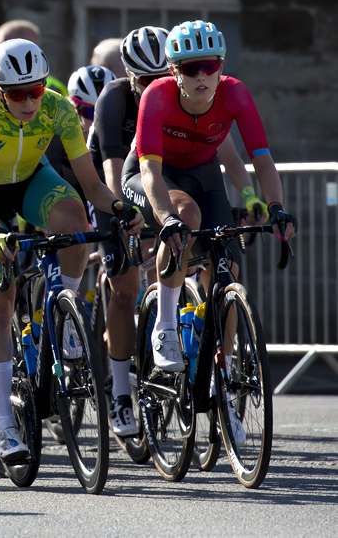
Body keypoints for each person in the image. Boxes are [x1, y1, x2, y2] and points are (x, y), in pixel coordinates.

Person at [0, 38, 143, 464]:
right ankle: (5, 427)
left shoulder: (58, 108)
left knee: (77, 221)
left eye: (35, 91)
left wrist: (118, 206)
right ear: (0, 91)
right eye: (17, 94)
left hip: (29, 179)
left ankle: (64, 311)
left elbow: (92, 186)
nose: (27, 102)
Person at [89, 25, 267, 437]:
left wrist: (249, 198)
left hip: (182, 181)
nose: (163, 85)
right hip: (122, 187)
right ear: (133, 78)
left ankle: (218, 374)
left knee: (225, 269)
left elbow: (229, 154)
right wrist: (124, 216)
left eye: (165, 77)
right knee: (125, 289)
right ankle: (119, 392)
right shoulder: (116, 100)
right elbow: (115, 170)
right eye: (150, 80)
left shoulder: (193, 97)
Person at [122, 21, 296, 406]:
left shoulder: (235, 94)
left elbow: (261, 158)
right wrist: (167, 219)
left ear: (221, 66)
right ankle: (165, 325)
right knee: (185, 215)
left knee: (228, 268)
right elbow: (149, 172)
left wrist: (276, 207)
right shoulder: (157, 96)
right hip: (150, 172)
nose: (201, 76)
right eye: (189, 68)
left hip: (202, 174)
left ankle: (225, 367)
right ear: (173, 72)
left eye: (209, 66)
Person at [45, 65, 116, 204]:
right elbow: (47, 187)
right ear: (73, 109)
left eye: (106, 112)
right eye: (90, 112)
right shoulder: (55, 134)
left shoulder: (124, 131)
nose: (98, 120)